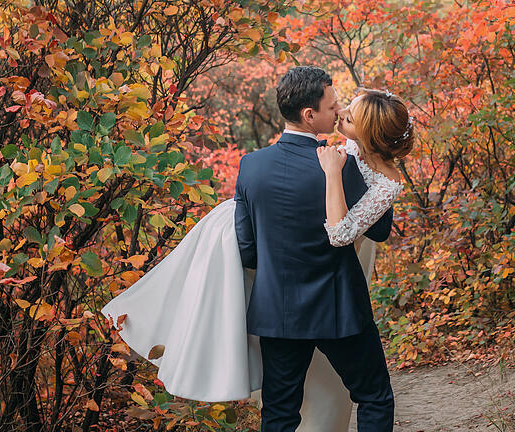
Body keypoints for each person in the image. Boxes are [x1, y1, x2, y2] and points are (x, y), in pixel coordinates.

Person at [100, 67, 414, 432]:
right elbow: (379, 230)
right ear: (309, 115)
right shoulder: (344, 168)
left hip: (278, 312)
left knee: (280, 413)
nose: (338, 111)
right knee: (374, 395)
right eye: (333, 106)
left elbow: (247, 250)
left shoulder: (251, 167)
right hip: (339, 307)